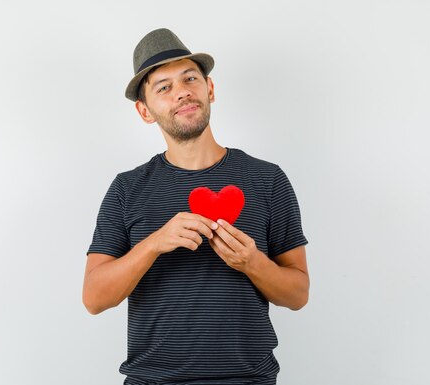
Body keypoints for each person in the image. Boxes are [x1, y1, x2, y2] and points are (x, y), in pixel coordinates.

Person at [82, 28, 309, 385]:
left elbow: (298, 295)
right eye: (164, 87)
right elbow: (94, 298)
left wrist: (252, 263)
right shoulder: (127, 188)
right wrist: (154, 243)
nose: (182, 91)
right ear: (145, 111)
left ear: (210, 89)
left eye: (190, 78)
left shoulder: (267, 180)